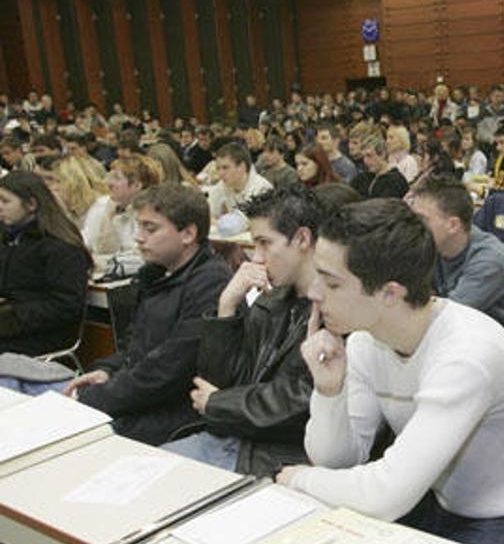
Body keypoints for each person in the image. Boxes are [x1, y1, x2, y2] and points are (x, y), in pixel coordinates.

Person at [275, 198, 504, 544]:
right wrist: (329, 391)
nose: (313, 293)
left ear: (391, 293)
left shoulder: (466, 355)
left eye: (331, 283)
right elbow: (337, 462)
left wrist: (299, 478)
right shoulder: (365, 338)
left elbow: (387, 495)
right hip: (434, 501)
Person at [163, 184, 357, 477]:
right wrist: (227, 306)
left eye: (265, 243)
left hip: (277, 457)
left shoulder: (339, 310)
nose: (256, 257)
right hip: (236, 438)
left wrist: (218, 404)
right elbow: (216, 382)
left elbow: (302, 403)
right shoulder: (273, 298)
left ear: (303, 238)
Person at [65, 184, 231, 446]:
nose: (139, 237)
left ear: (188, 233)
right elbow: (136, 348)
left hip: (179, 414)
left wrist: (95, 400)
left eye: (150, 228)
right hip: (145, 400)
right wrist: (109, 370)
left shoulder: (211, 284)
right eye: (138, 226)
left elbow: (168, 371)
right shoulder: (155, 275)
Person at [411, 177, 504, 343]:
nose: (413, 226)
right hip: (470, 338)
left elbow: (448, 318)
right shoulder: (431, 246)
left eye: (422, 220)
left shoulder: (490, 260)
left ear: (453, 225)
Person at [0, 171, 91, 356]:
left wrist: (10, 315)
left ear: (31, 204)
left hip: (42, 335)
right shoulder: (7, 238)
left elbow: (66, 305)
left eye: (5, 201)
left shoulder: (60, 246)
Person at [95, 154, 162, 258]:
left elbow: (141, 258)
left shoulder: (154, 215)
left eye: (116, 178)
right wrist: (108, 215)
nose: (108, 183)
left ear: (136, 185)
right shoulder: (117, 209)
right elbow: (104, 251)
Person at [206, 141, 272, 222]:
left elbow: (246, 223)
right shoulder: (222, 185)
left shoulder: (262, 188)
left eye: (225, 168)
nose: (220, 173)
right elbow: (207, 214)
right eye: (218, 168)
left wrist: (219, 221)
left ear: (242, 167)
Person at [350, 134, 409, 199]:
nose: (365, 161)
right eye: (363, 157)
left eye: (369, 155)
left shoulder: (395, 182)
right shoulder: (362, 178)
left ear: (382, 154)